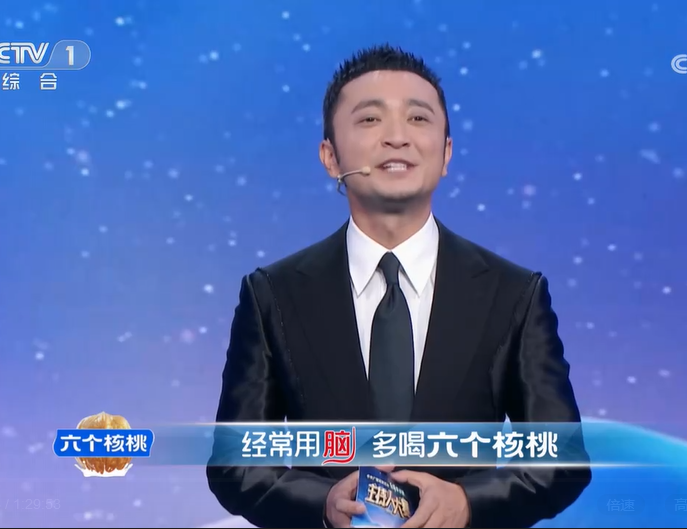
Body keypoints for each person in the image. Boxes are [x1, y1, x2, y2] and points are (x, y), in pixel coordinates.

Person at [207, 44, 591, 528]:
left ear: (446, 154)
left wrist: (467, 503)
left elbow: (562, 460)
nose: (397, 137)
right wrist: (322, 504)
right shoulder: (273, 295)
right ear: (330, 157)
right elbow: (235, 463)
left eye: (418, 119)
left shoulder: (514, 294)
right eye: (370, 120)